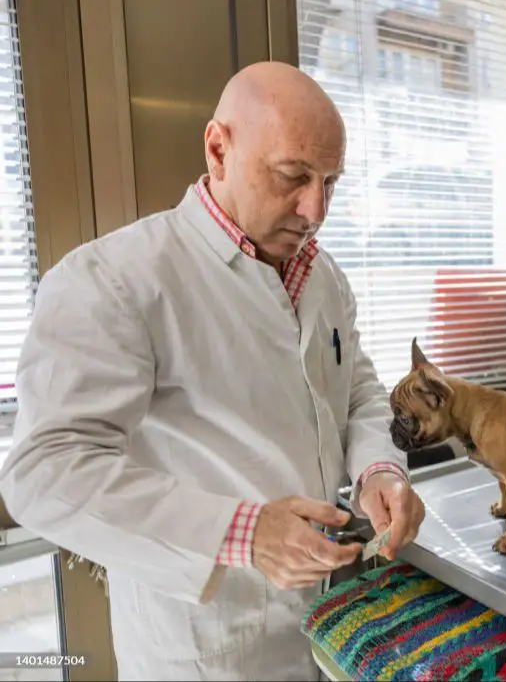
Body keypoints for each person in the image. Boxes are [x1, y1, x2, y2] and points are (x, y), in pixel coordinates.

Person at [0, 61, 426, 680]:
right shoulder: (115, 279)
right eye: (293, 176)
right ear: (218, 149)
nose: (315, 209)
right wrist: (247, 533)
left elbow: (357, 389)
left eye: (330, 183)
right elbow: (44, 473)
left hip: (333, 622)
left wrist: (379, 470)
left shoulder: (322, 274)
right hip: (209, 646)